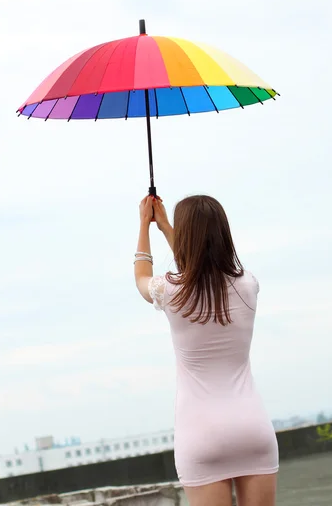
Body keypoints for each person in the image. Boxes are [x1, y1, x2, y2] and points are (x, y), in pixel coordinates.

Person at [134, 194, 279, 506]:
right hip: (253, 430)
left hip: (201, 435)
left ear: (186, 237)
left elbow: (142, 279)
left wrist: (147, 226)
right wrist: (168, 228)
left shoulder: (171, 291)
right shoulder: (248, 285)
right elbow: (203, 270)